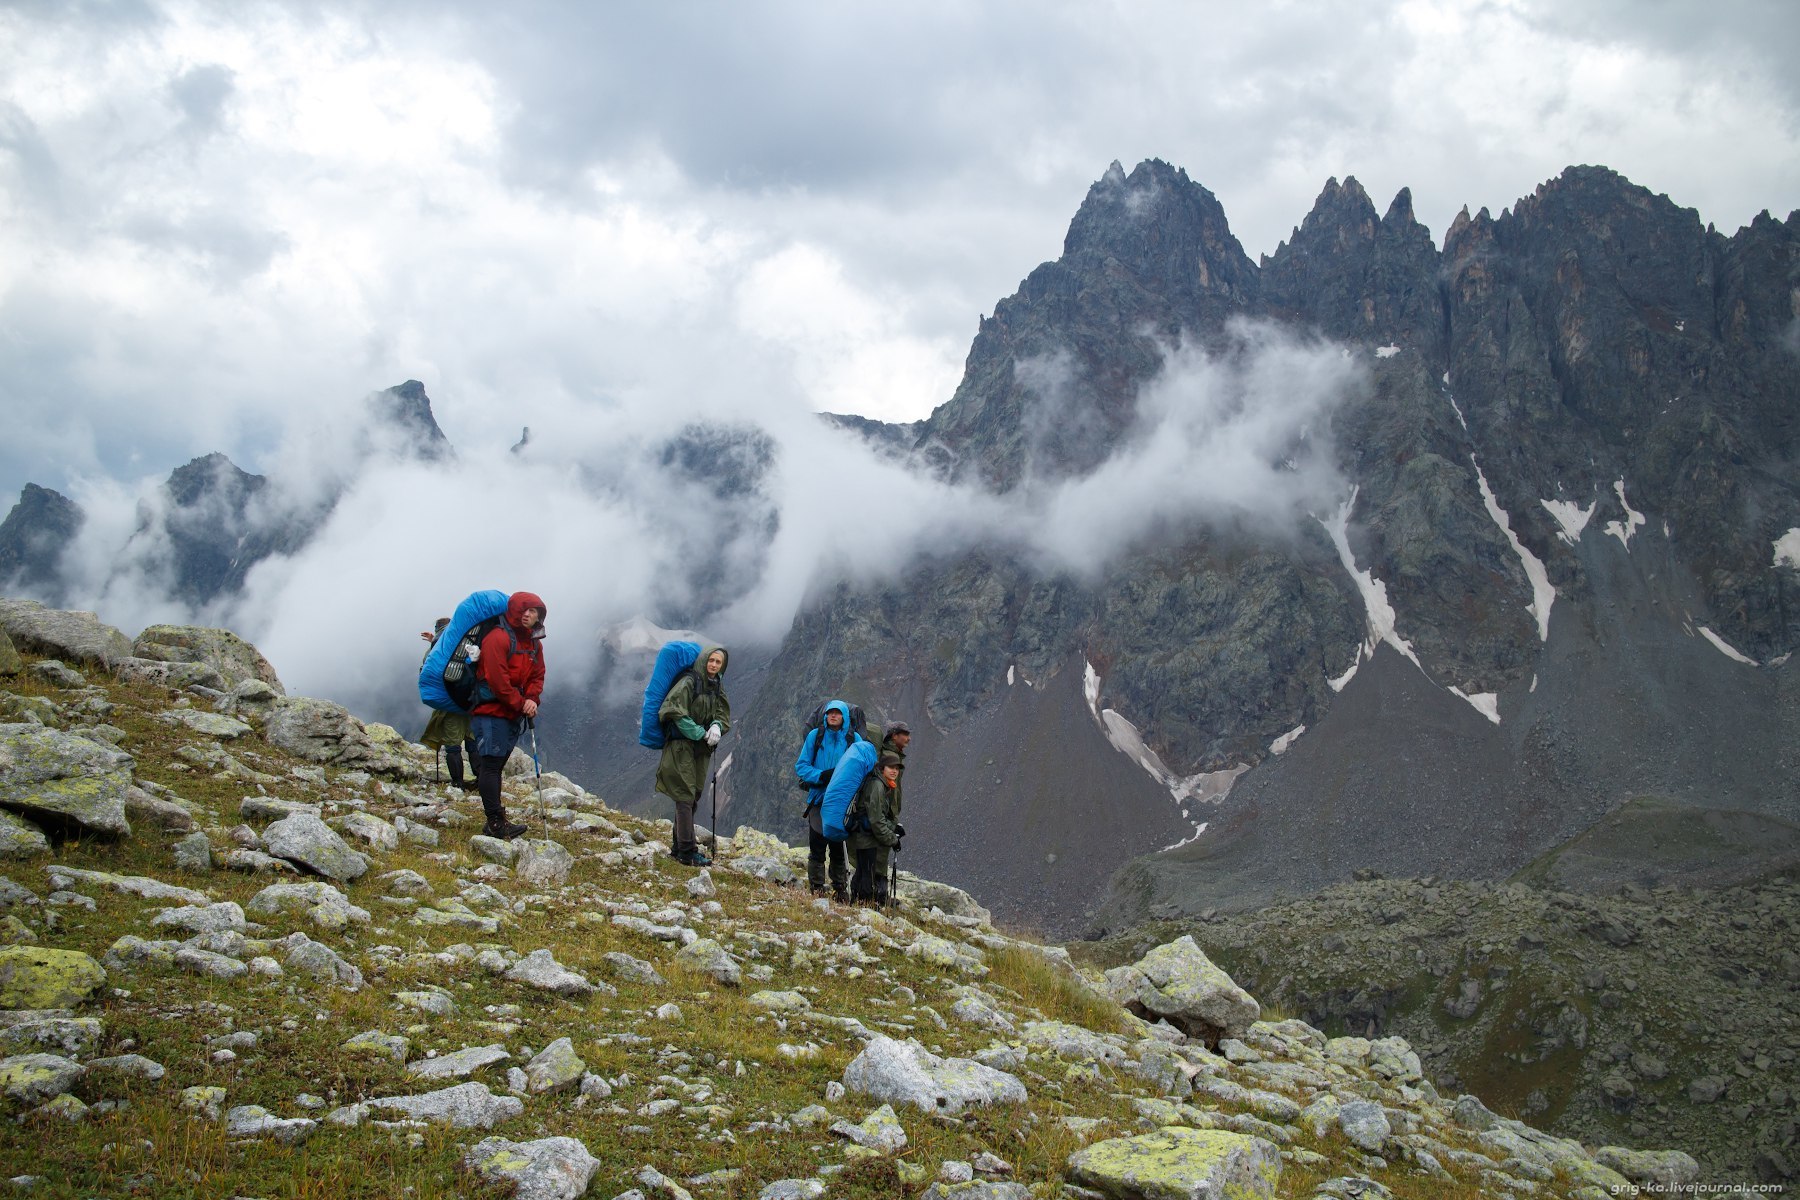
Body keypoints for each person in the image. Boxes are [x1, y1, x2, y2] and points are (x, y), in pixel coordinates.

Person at [467, 591, 546, 841]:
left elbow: (537, 674)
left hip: (512, 713)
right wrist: (522, 703)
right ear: (512, 612)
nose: (527, 615)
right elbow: (497, 679)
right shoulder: (497, 638)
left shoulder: (534, 643)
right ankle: (495, 822)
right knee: (491, 765)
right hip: (490, 712)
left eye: (533, 611)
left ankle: (496, 820)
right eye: (523, 610)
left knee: (496, 765)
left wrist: (532, 699)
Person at [656, 644, 729, 866]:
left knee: (693, 794)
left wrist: (716, 725)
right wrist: (700, 733)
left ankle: (679, 848)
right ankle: (687, 851)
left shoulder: (716, 686)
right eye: (711, 660)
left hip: (699, 748)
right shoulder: (689, 682)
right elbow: (674, 712)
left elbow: (722, 713)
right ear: (704, 660)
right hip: (681, 746)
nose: (714, 665)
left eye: (718, 662)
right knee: (685, 795)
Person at [794, 700, 858, 902]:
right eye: (830, 712)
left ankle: (839, 889)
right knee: (817, 845)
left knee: (838, 846)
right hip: (819, 799)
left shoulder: (852, 739)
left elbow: (859, 769)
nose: (833, 716)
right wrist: (821, 776)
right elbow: (802, 766)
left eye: (837, 713)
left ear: (844, 716)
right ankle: (817, 888)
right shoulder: (816, 736)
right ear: (825, 715)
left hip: (840, 802)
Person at [419, 618, 478, 791]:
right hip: (471, 702)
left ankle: (458, 783)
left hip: (450, 705)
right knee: (473, 742)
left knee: (453, 746)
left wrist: (432, 644)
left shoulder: (434, 650)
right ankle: (481, 779)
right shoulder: (467, 642)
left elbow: (427, 671)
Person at [847, 750, 903, 905]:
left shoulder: (879, 784)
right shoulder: (877, 787)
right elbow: (877, 821)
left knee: (864, 872)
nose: (894, 771)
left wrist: (893, 827)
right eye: (890, 767)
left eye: (897, 768)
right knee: (867, 875)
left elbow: (878, 816)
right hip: (866, 839)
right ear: (882, 768)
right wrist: (893, 840)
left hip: (864, 838)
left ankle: (858, 903)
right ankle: (864, 906)